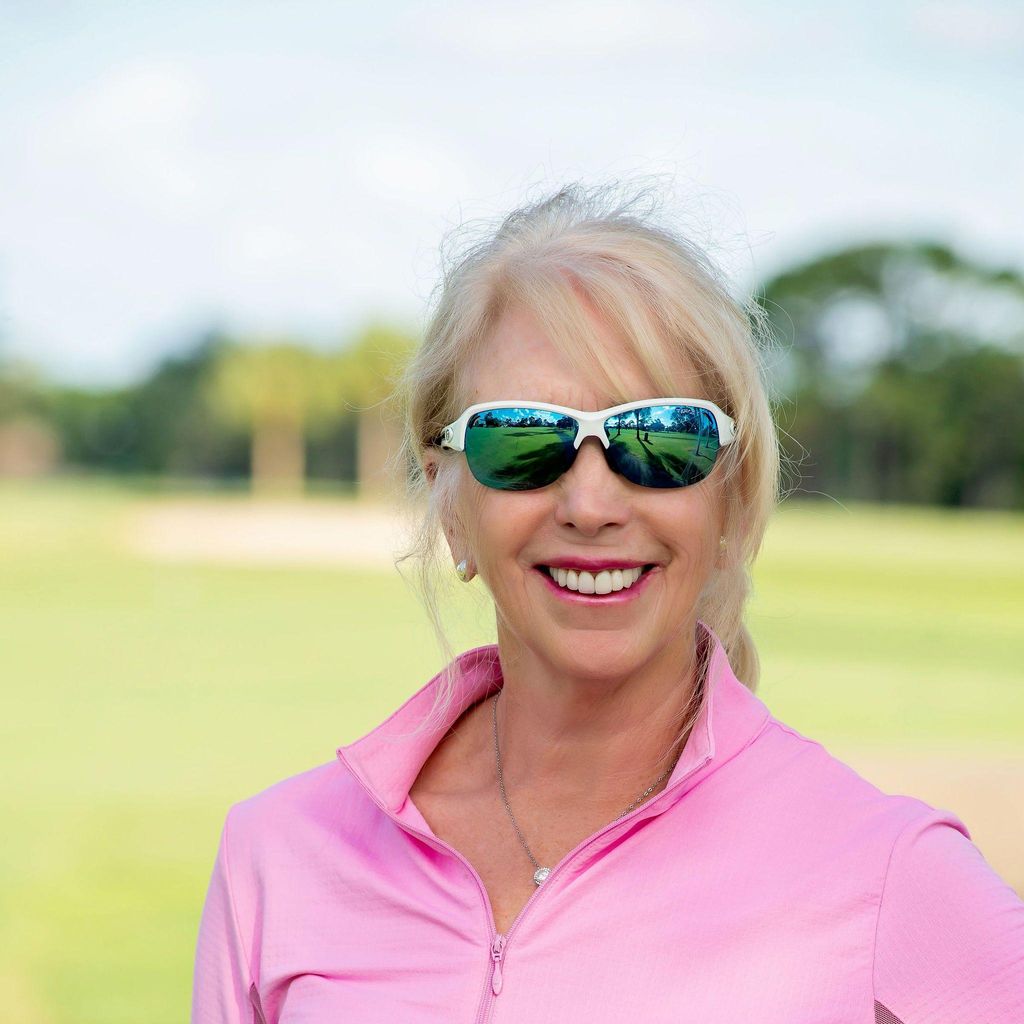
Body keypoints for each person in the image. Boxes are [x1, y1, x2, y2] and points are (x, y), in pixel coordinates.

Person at [190, 183, 1024, 1023]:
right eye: (522, 438)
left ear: (729, 501)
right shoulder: (280, 856)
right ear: (449, 498)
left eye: (661, 438)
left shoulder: (886, 877)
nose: (591, 505)